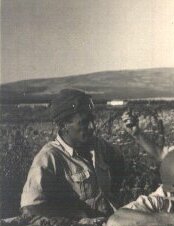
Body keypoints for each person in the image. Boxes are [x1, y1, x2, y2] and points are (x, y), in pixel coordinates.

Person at [20, 89, 125, 219]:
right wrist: (79, 215)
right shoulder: (49, 157)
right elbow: (31, 208)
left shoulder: (98, 145)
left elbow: (119, 162)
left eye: (92, 120)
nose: (92, 127)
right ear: (64, 125)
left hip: (114, 220)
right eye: (84, 122)